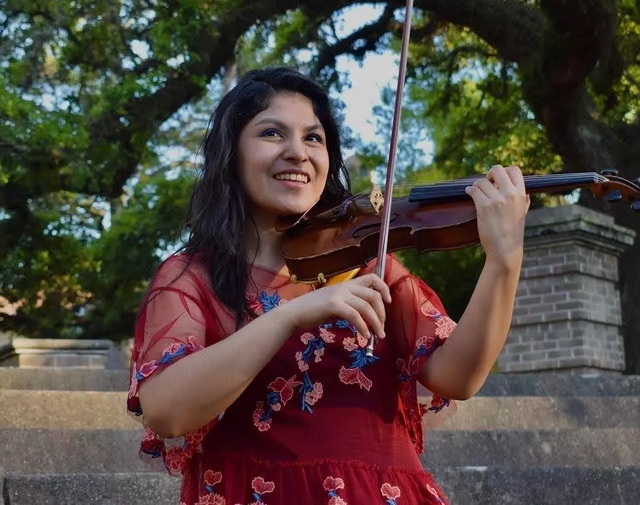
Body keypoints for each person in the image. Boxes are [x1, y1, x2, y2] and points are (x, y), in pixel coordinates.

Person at [127, 67, 529, 505]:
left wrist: (503, 261)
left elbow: (458, 377)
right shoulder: (190, 278)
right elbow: (167, 411)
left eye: (313, 138)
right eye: (272, 134)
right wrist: (293, 314)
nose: (297, 152)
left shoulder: (370, 266)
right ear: (232, 155)